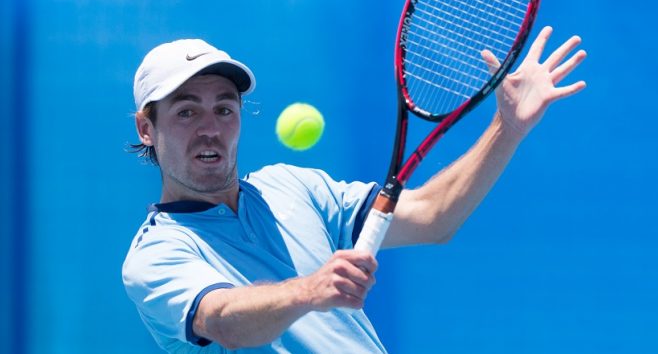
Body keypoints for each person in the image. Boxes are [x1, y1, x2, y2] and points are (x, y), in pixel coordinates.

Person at [122, 28, 586, 353]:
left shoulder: (292, 186)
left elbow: (432, 215)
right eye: (186, 112)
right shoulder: (156, 254)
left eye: (225, 109)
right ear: (147, 128)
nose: (210, 128)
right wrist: (310, 290)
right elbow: (222, 320)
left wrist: (506, 128)